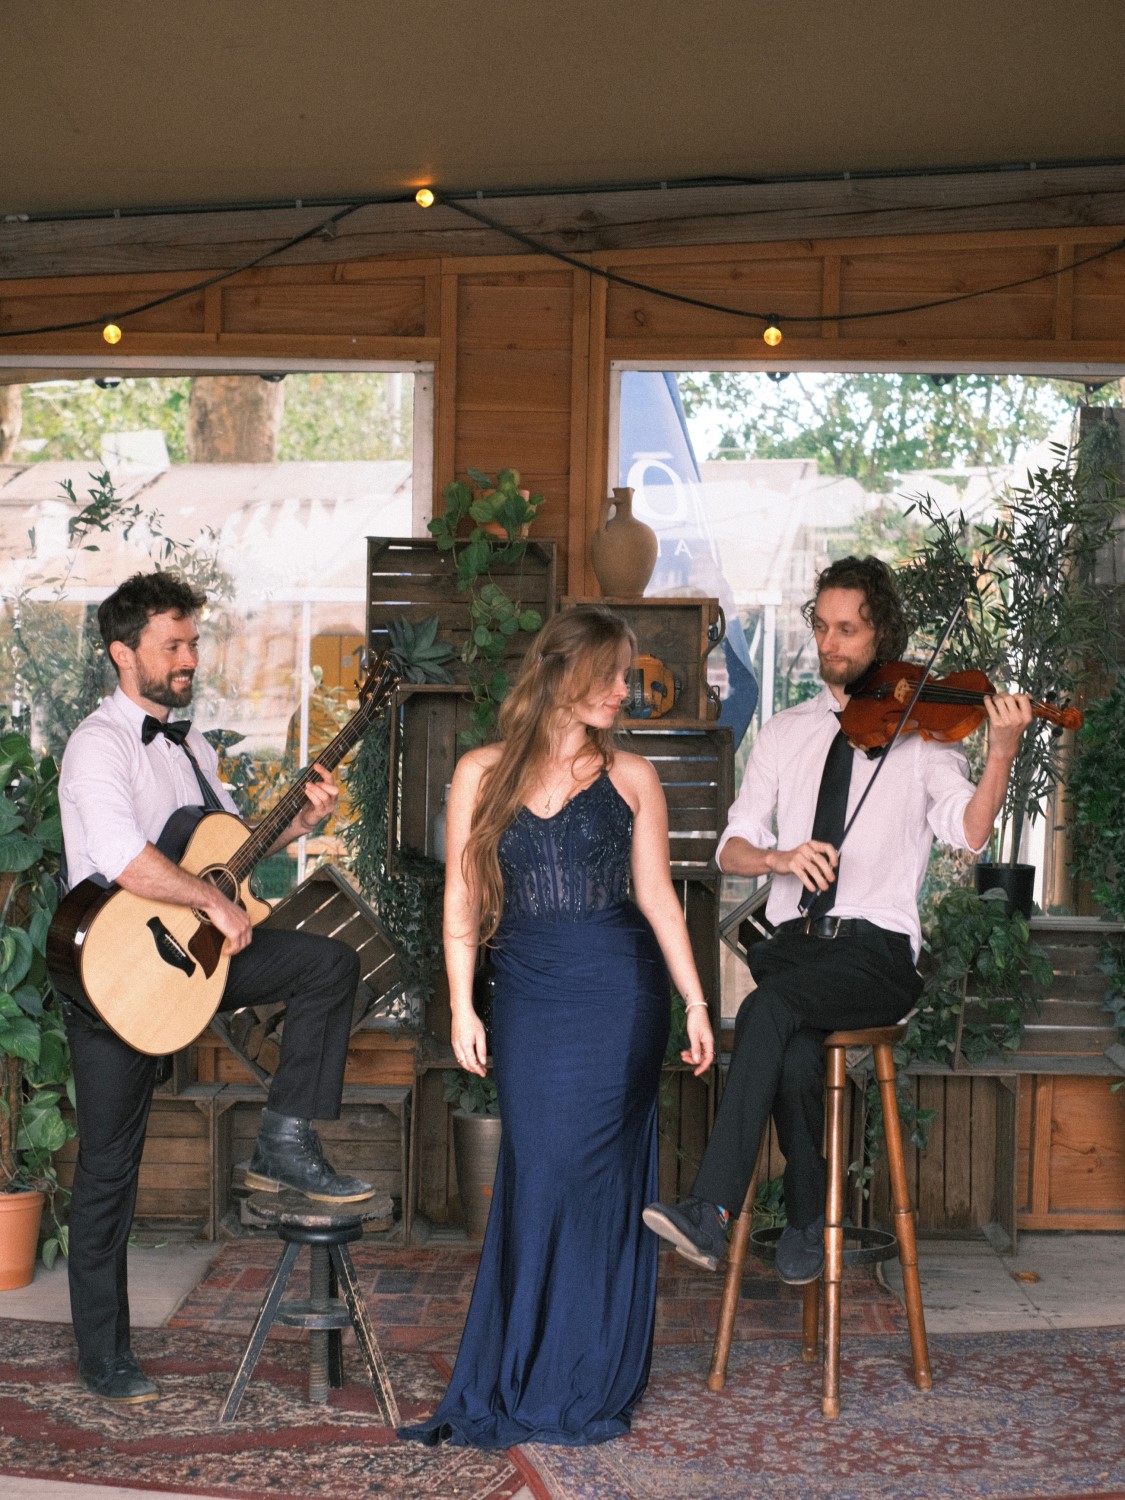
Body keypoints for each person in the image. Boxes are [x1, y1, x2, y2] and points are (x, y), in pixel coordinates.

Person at [644, 556, 1033, 1284]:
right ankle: (803, 1216)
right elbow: (731, 845)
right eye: (821, 627)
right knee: (786, 1043)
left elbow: (969, 832)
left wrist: (1000, 754)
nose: (830, 644)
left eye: (847, 630)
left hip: (873, 957)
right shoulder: (786, 733)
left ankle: (710, 1209)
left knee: (767, 1010)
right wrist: (779, 858)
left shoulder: (922, 741)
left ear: (880, 635)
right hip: (793, 949)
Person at [399, 606, 714, 1448]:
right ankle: (523, 1365)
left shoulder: (632, 777)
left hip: (620, 996)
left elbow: (657, 899)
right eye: (614, 674)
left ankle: (589, 1369)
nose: (625, 690)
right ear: (566, 674)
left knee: (598, 1184)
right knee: (538, 1173)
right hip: (527, 996)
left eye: (628, 675)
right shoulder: (480, 772)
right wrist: (463, 1002)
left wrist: (693, 1000)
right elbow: (461, 899)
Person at [57, 571, 373, 1405]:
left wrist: (297, 824)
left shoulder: (191, 747)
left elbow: (230, 858)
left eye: (193, 642)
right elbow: (126, 859)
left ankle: (284, 1137)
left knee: (328, 965)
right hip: (117, 975)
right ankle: (105, 1353)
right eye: (174, 644)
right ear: (124, 654)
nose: (190, 657)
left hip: (198, 959)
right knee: (109, 1172)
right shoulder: (100, 744)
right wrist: (206, 900)